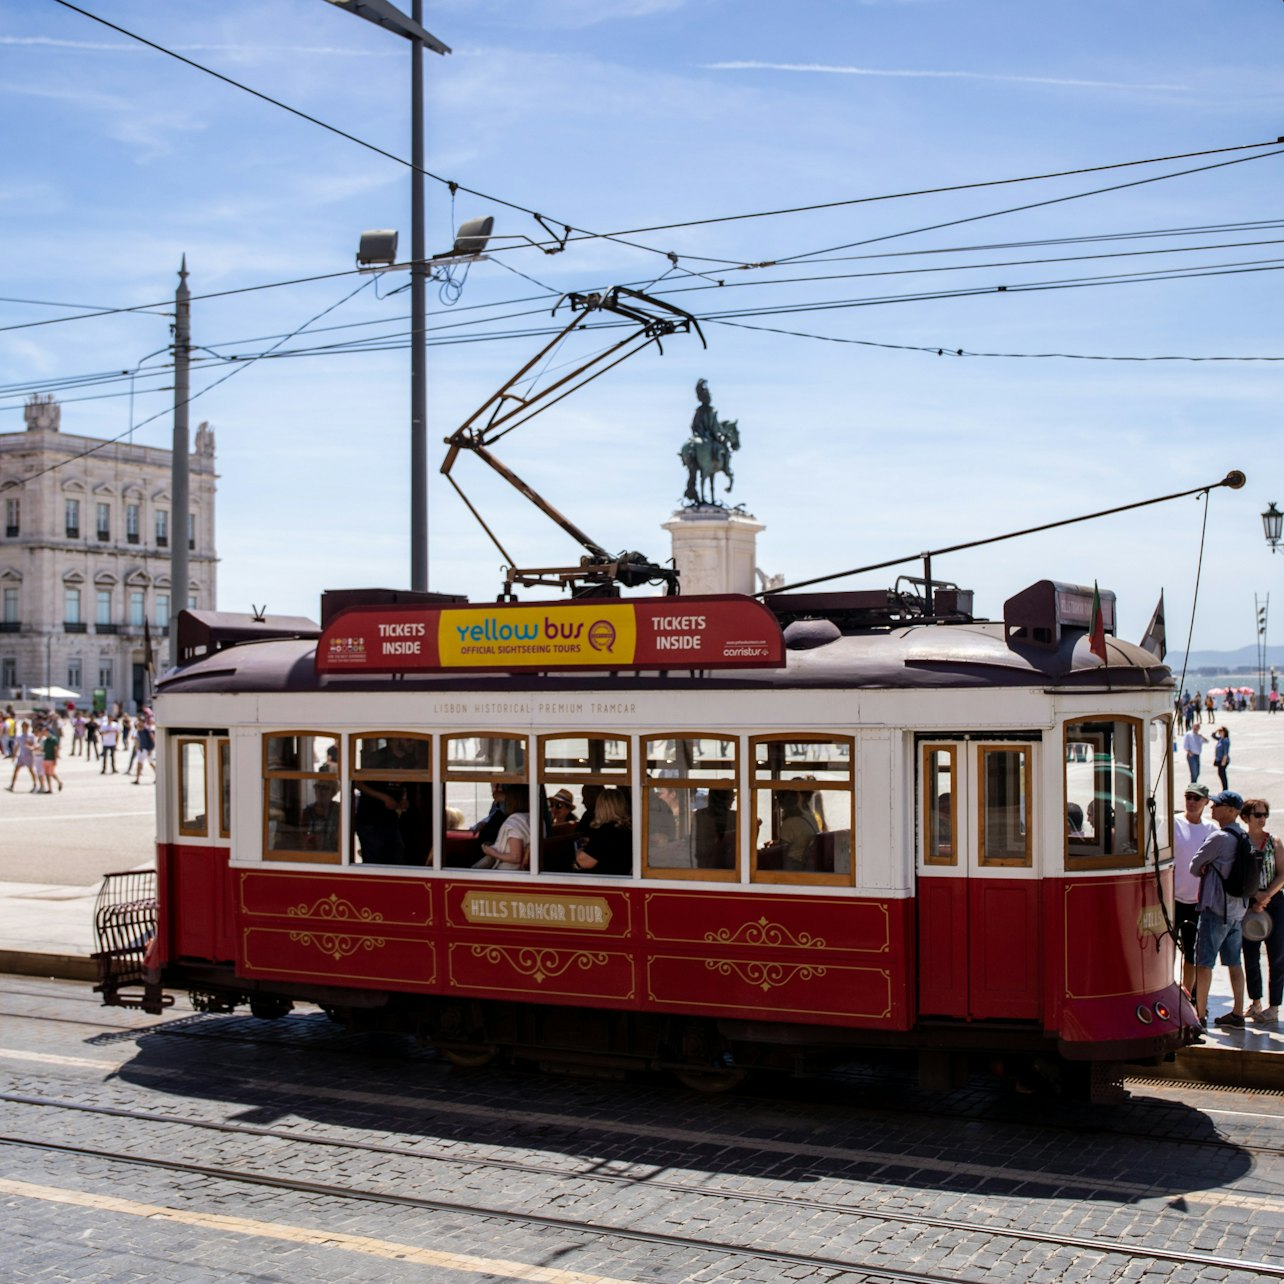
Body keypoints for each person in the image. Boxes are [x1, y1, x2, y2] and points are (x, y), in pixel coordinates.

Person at [1190, 789, 1251, 1028]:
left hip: (1216, 910)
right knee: (1234, 962)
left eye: (1217, 805)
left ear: (1232, 811)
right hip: (1237, 911)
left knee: (1204, 962)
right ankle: (1237, 1013)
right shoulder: (1243, 837)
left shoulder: (1219, 838)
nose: (1212, 808)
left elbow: (1194, 866)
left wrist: (1206, 867)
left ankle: (1200, 1014)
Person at [1241, 798, 1284, 1024]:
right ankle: (1255, 1001)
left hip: (1273, 902)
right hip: (1248, 900)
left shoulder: (1274, 842)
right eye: (1258, 815)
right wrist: (1253, 896)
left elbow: (1282, 873)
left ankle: (1274, 1006)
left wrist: (1265, 896)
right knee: (1250, 954)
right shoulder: (1241, 842)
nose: (1262, 819)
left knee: (1277, 955)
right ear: (1246, 817)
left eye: (1264, 814)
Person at [1173, 784, 1216, 996]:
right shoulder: (1173, 823)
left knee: (1192, 952)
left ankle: (1188, 995)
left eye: (1196, 798)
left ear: (1205, 803)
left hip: (1198, 902)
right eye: (1188, 796)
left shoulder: (1211, 829)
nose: (1191, 802)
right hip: (1173, 899)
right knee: (1166, 950)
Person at [573, 788, 632, 875]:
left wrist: (579, 850)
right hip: (621, 877)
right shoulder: (627, 829)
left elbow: (584, 861)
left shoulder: (606, 832)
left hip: (603, 881)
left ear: (601, 807)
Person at [476, 784, 531, 871]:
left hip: (506, 872)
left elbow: (516, 857)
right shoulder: (534, 819)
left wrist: (492, 852)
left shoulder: (515, 822)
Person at [779, 787, 820, 871]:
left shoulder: (789, 823)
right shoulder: (809, 816)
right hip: (811, 865)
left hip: (795, 865)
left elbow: (782, 851)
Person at [301, 779, 340, 853]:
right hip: (314, 855)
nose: (320, 791)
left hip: (335, 856)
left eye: (324, 788)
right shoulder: (308, 811)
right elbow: (302, 836)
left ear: (333, 792)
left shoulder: (339, 810)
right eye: (317, 787)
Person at [7, 720, 37, 792]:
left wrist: (30, 745)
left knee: (31, 770)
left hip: (29, 755)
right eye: (23, 726)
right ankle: (12, 785)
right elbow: (17, 746)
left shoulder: (31, 736)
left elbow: (34, 745)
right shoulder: (19, 736)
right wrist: (14, 755)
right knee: (16, 770)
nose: (24, 727)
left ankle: (35, 784)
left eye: (25, 726)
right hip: (21, 755)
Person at [133, 712, 156, 784]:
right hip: (142, 749)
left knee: (151, 763)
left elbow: (152, 740)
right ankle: (137, 779)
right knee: (139, 764)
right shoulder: (139, 730)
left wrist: (150, 749)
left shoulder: (147, 730)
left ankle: (158, 776)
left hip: (147, 749)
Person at [40, 721, 63, 793]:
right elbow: (43, 749)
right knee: (47, 774)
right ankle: (50, 788)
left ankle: (59, 782)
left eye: (44, 731)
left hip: (51, 758)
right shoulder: (45, 740)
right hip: (46, 758)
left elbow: (55, 750)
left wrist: (55, 759)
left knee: (51, 773)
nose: (43, 733)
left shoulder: (53, 739)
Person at [1212, 726, 1231, 791]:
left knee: (1222, 775)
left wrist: (1224, 761)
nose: (1220, 733)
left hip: (1223, 760)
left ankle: (1225, 789)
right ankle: (1224, 788)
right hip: (1219, 759)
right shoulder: (1220, 739)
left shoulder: (1225, 740)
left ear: (1225, 732)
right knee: (1220, 774)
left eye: (1221, 731)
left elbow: (1226, 752)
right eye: (1219, 732)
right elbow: (1213, 736)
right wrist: (1216, 730)